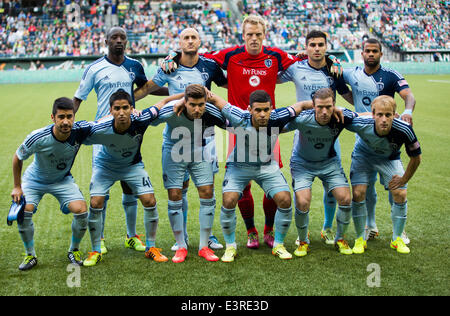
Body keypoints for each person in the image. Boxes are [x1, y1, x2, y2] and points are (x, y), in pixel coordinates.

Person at [72, 27, 167, 254]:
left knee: (129, 186)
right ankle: (101, 238)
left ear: (127, 41)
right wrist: (67, 124)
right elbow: (78, 98)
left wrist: (174, 89)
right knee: (101, 193)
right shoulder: (94, 68)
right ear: (106, 41)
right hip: (102, 134)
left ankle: (131, 236)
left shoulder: (134, 66)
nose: (118, 41)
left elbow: (145, 89)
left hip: (129, 130)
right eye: (113, 37)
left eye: (122, 37)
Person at [135, 27, 227, 251]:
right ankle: (182, 236)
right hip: (176, 134)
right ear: (179, 43)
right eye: (186, 38)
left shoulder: (210, 66)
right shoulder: (170, 66)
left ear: (200, 41)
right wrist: (129, 102)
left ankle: (210, 236)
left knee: (207, 187)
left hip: (204, 133)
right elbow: (149, 88)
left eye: (193, 37)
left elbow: (228, 83)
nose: (190, 41)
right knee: (181, 188)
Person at [207, 89, 312, 262]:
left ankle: (278, 245)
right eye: (258, 110)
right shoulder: (239, 117)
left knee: (285, 199)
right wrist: (200, 92)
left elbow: (300, 105)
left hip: (266, 166)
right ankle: (230, 247)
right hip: (239, 166)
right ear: (249, 109)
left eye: (266, 110)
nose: (262, 114)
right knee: (228, 199)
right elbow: (216, 100)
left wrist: (327, 107)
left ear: (272, 108)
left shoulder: (278, 117)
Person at [278, 30, 353, 246]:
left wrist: (367, 108)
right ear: (306, 47)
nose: (317, 48)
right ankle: (303, 237)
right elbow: (272, 75)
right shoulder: (296, 67)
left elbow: (347, 92)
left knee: (334, 187)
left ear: (327, 47)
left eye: (321, 45)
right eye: (312, 45)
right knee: (303, 193)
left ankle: (327, 227)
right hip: (302, 128)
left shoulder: (333, 69)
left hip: (328, 130)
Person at [81, 89, 169, 266]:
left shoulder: (141, 119)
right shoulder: (100, 127)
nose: (121, 112)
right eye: (117, 108)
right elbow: (76, 135)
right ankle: (96, 250)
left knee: (150, 200)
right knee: (96, 202)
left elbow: (162, 104)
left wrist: (183, 96)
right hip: (105, 167)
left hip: (132, 166)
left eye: (125, 108)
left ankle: (151, 247)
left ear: (131, 108)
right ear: (110, 110)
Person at [343, 38, 416, 243]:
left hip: (387, 137)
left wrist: (408, 111)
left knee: (395, 185)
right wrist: (352, 98)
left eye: (375, 51)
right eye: (368, 51)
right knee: (365, 187)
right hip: (364, 133)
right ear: (362, 53)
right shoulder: (352, 73)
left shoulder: (391, 75)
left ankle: (399, 231)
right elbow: (335, 73)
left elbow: (408, 95)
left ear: (381, 54)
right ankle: (371, 225)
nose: (371, 54)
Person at [150, 84, 229, 263]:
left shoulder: (210, 112)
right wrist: (170, 102)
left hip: (200, 150)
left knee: (207, 193)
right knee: (175, 194)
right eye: (192, 104)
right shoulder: (172, 110)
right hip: (173, 151)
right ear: (185, 102)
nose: (197, 109)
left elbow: (233, 123)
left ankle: (203, 247)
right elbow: (150, 118)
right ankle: (181, 246)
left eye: (201, 104)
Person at [11, 97, 92, 270]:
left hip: (62, 180)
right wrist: (17, 187)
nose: (65, 121)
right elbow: (18, 157)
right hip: (34, 181)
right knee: (24, 211)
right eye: (61, 117)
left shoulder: (80, 130)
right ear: (53, 117)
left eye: (69, 116)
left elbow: (101, 123)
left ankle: (74, 250)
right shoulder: (38, 137)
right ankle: (30, 255)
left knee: (82, 211)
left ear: (73, 117)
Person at [283, 88, 357, 256]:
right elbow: (278, 126)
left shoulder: (341, 118)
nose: (324, 112)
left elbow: (363, 119)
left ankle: (340, 239)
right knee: (302, 202)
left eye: (329, 107)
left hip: (329, 163)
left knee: (345, 198)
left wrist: (388, 116)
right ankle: (303, 241)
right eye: (320, 107)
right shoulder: (302, 119)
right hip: (302, 164)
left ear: (334, 106)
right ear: (313, 106)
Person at [345, 95, 421, 254]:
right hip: (363, 157)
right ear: (373, 114)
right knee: (358, 193)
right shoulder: (360, 122)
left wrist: (404, 179)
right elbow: (341, 114)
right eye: (379, 115)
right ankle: (360, 239)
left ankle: (397, 238)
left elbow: (416, 158)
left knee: (400, 193)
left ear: (395, 114)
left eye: (388, 114)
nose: (384, 119)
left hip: (389, 159)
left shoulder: (404, 129)